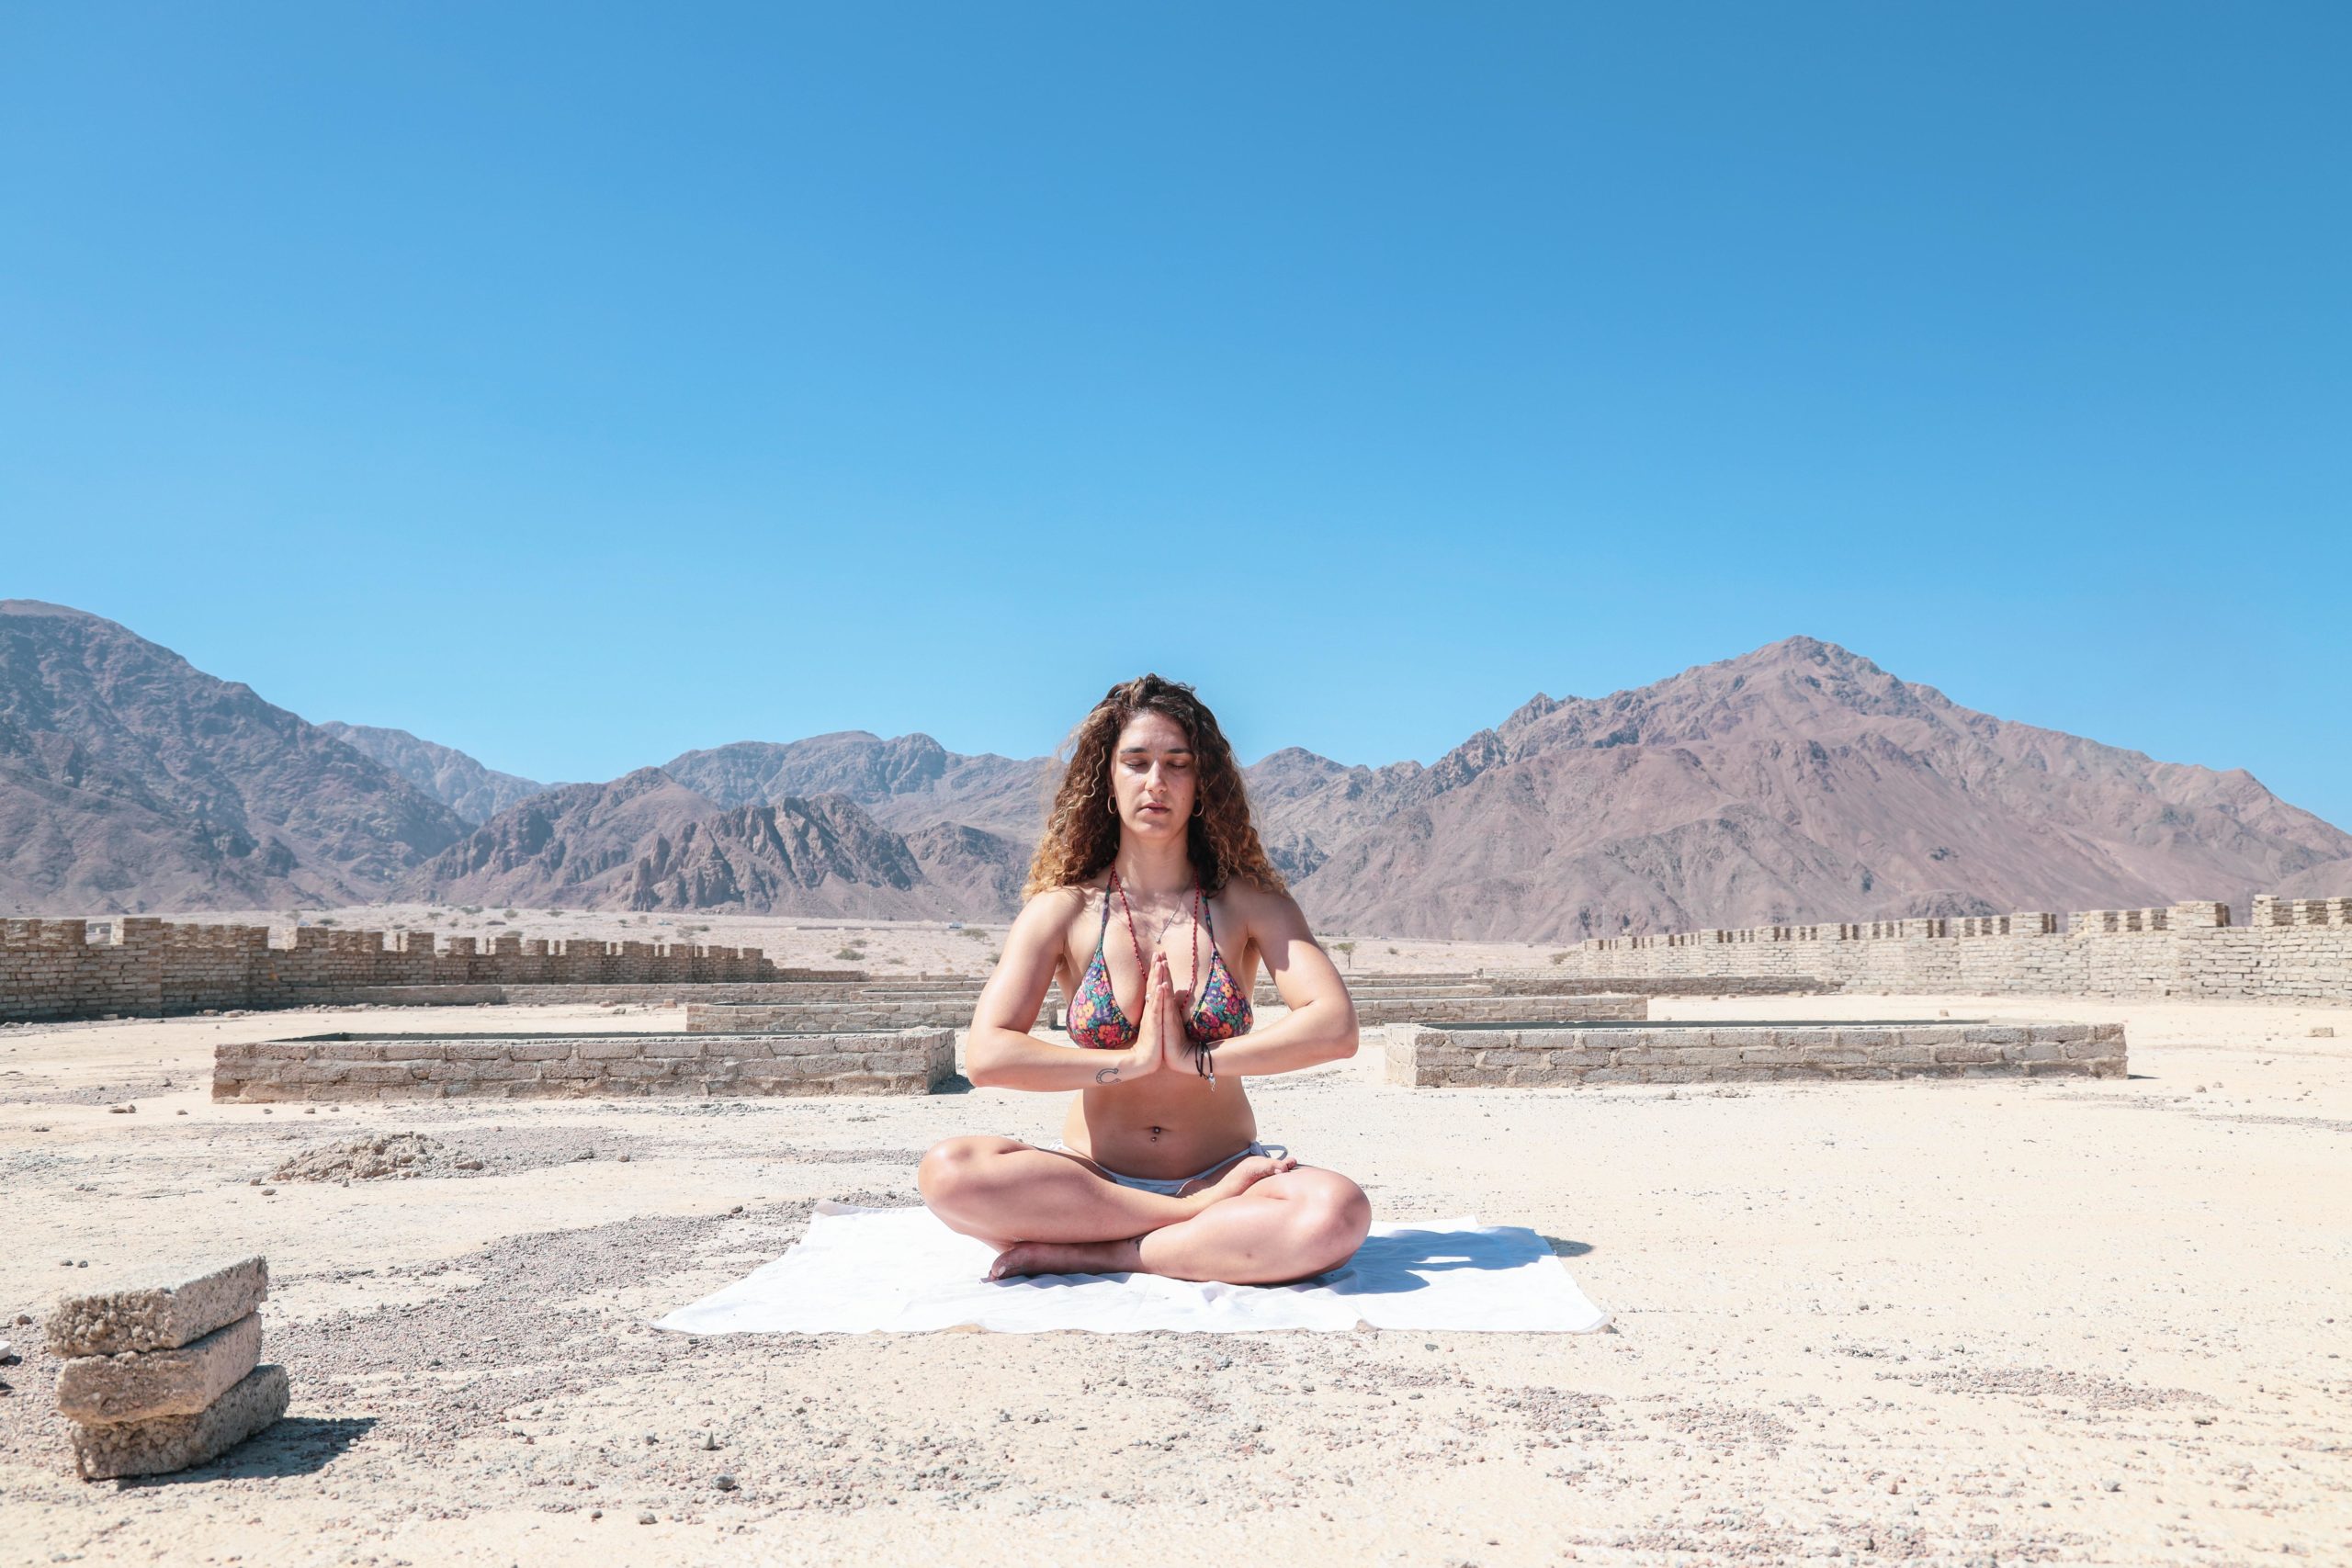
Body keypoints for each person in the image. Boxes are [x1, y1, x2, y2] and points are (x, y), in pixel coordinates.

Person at [918, 675, 1372, 1284]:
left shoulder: (1249, 905)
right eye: (1136, 762)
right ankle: (1183, 1223)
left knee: (1337, 1213)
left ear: (1201, 783)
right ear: (1106, 778)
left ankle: (1108, 1252)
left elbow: (1335, 1027)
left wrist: (1198, 1059)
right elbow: (988, 1053)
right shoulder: (1064, 910)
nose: (1155, 782)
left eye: (1176, 764)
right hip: (1093, 1183)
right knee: (949, 1171)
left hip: (1227, 1175)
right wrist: (1128, 1063)